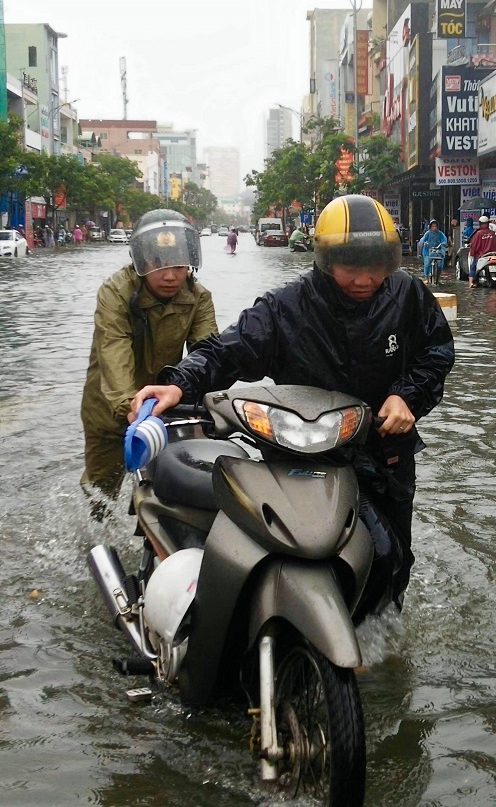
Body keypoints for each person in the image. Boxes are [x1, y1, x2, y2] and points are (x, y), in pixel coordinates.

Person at [129, 194, 455, 609]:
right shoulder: (286, 307)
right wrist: (177, 384)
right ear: (324, 259)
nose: (364, 279)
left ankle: (379, 640)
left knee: (391, 559)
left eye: (376, 266)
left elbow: (437, 351)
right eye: (350, 266)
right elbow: (226, 350)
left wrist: (406, 397)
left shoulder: (406, 293)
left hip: (384, 451)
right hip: (304, 457)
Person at [80, 209, 218, 500]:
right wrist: (128, 407)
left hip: (166, 408)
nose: (170, 275)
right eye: (158, 263)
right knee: (101, 490)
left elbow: (208, 353)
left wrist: (208, 408)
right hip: (108, 406)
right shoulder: (115, 292)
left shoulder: (199, 298)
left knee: (174, 489)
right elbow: (113, 351)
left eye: (178, 265)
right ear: (140, 261)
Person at [467, 215, 496, 288]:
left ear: (480, 223)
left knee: (473, 266)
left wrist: (472, 254)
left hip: (481, 255)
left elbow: (474, 246)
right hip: (493, 254)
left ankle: (470, 283)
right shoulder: (492, 233)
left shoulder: (478, 234)